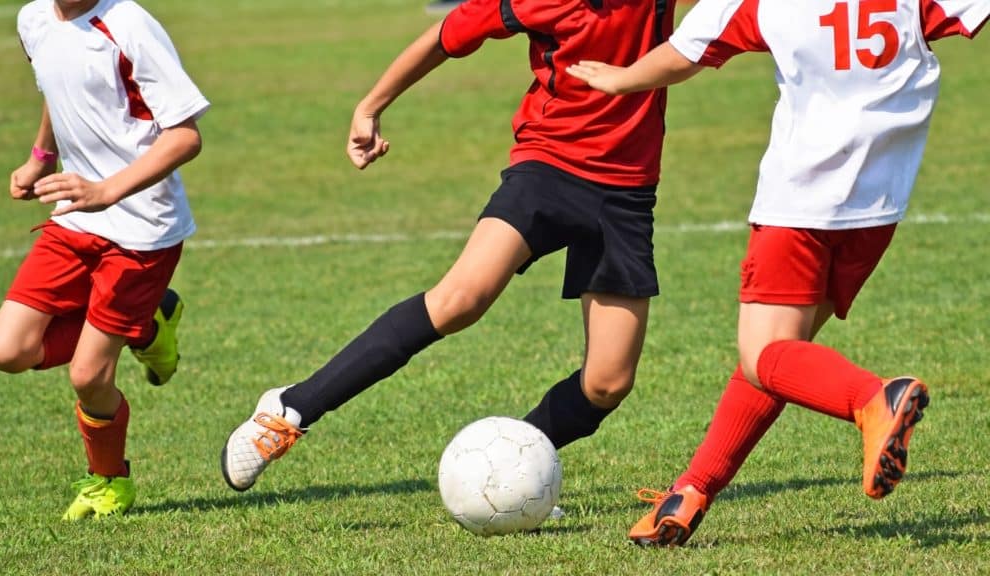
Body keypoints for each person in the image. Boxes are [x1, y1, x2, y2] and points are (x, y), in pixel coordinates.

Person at [566, 0, 988, 546]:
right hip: (879, 203)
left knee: (765, 355)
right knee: (782, 358)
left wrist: (623, 79)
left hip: (803, 198)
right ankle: (691, 491)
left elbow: (688, 50)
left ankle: (872, 398)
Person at [221, 0, 678, 494]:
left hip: (627, 193)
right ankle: (291, 408)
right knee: (461, 299)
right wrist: (370, 106)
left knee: (607, 383)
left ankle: (508, 468)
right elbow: (446, 37)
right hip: (548, 168)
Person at [0, 0, 209, 520]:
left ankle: (109, 481)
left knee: (88, 376)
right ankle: (144, 324)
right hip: (77, 217)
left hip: (141, 231)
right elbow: (56, 88)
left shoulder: (128, 24)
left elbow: (185, 136)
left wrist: (108, 190)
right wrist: (41, 157)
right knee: (5, 349)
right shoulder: (34, 19)